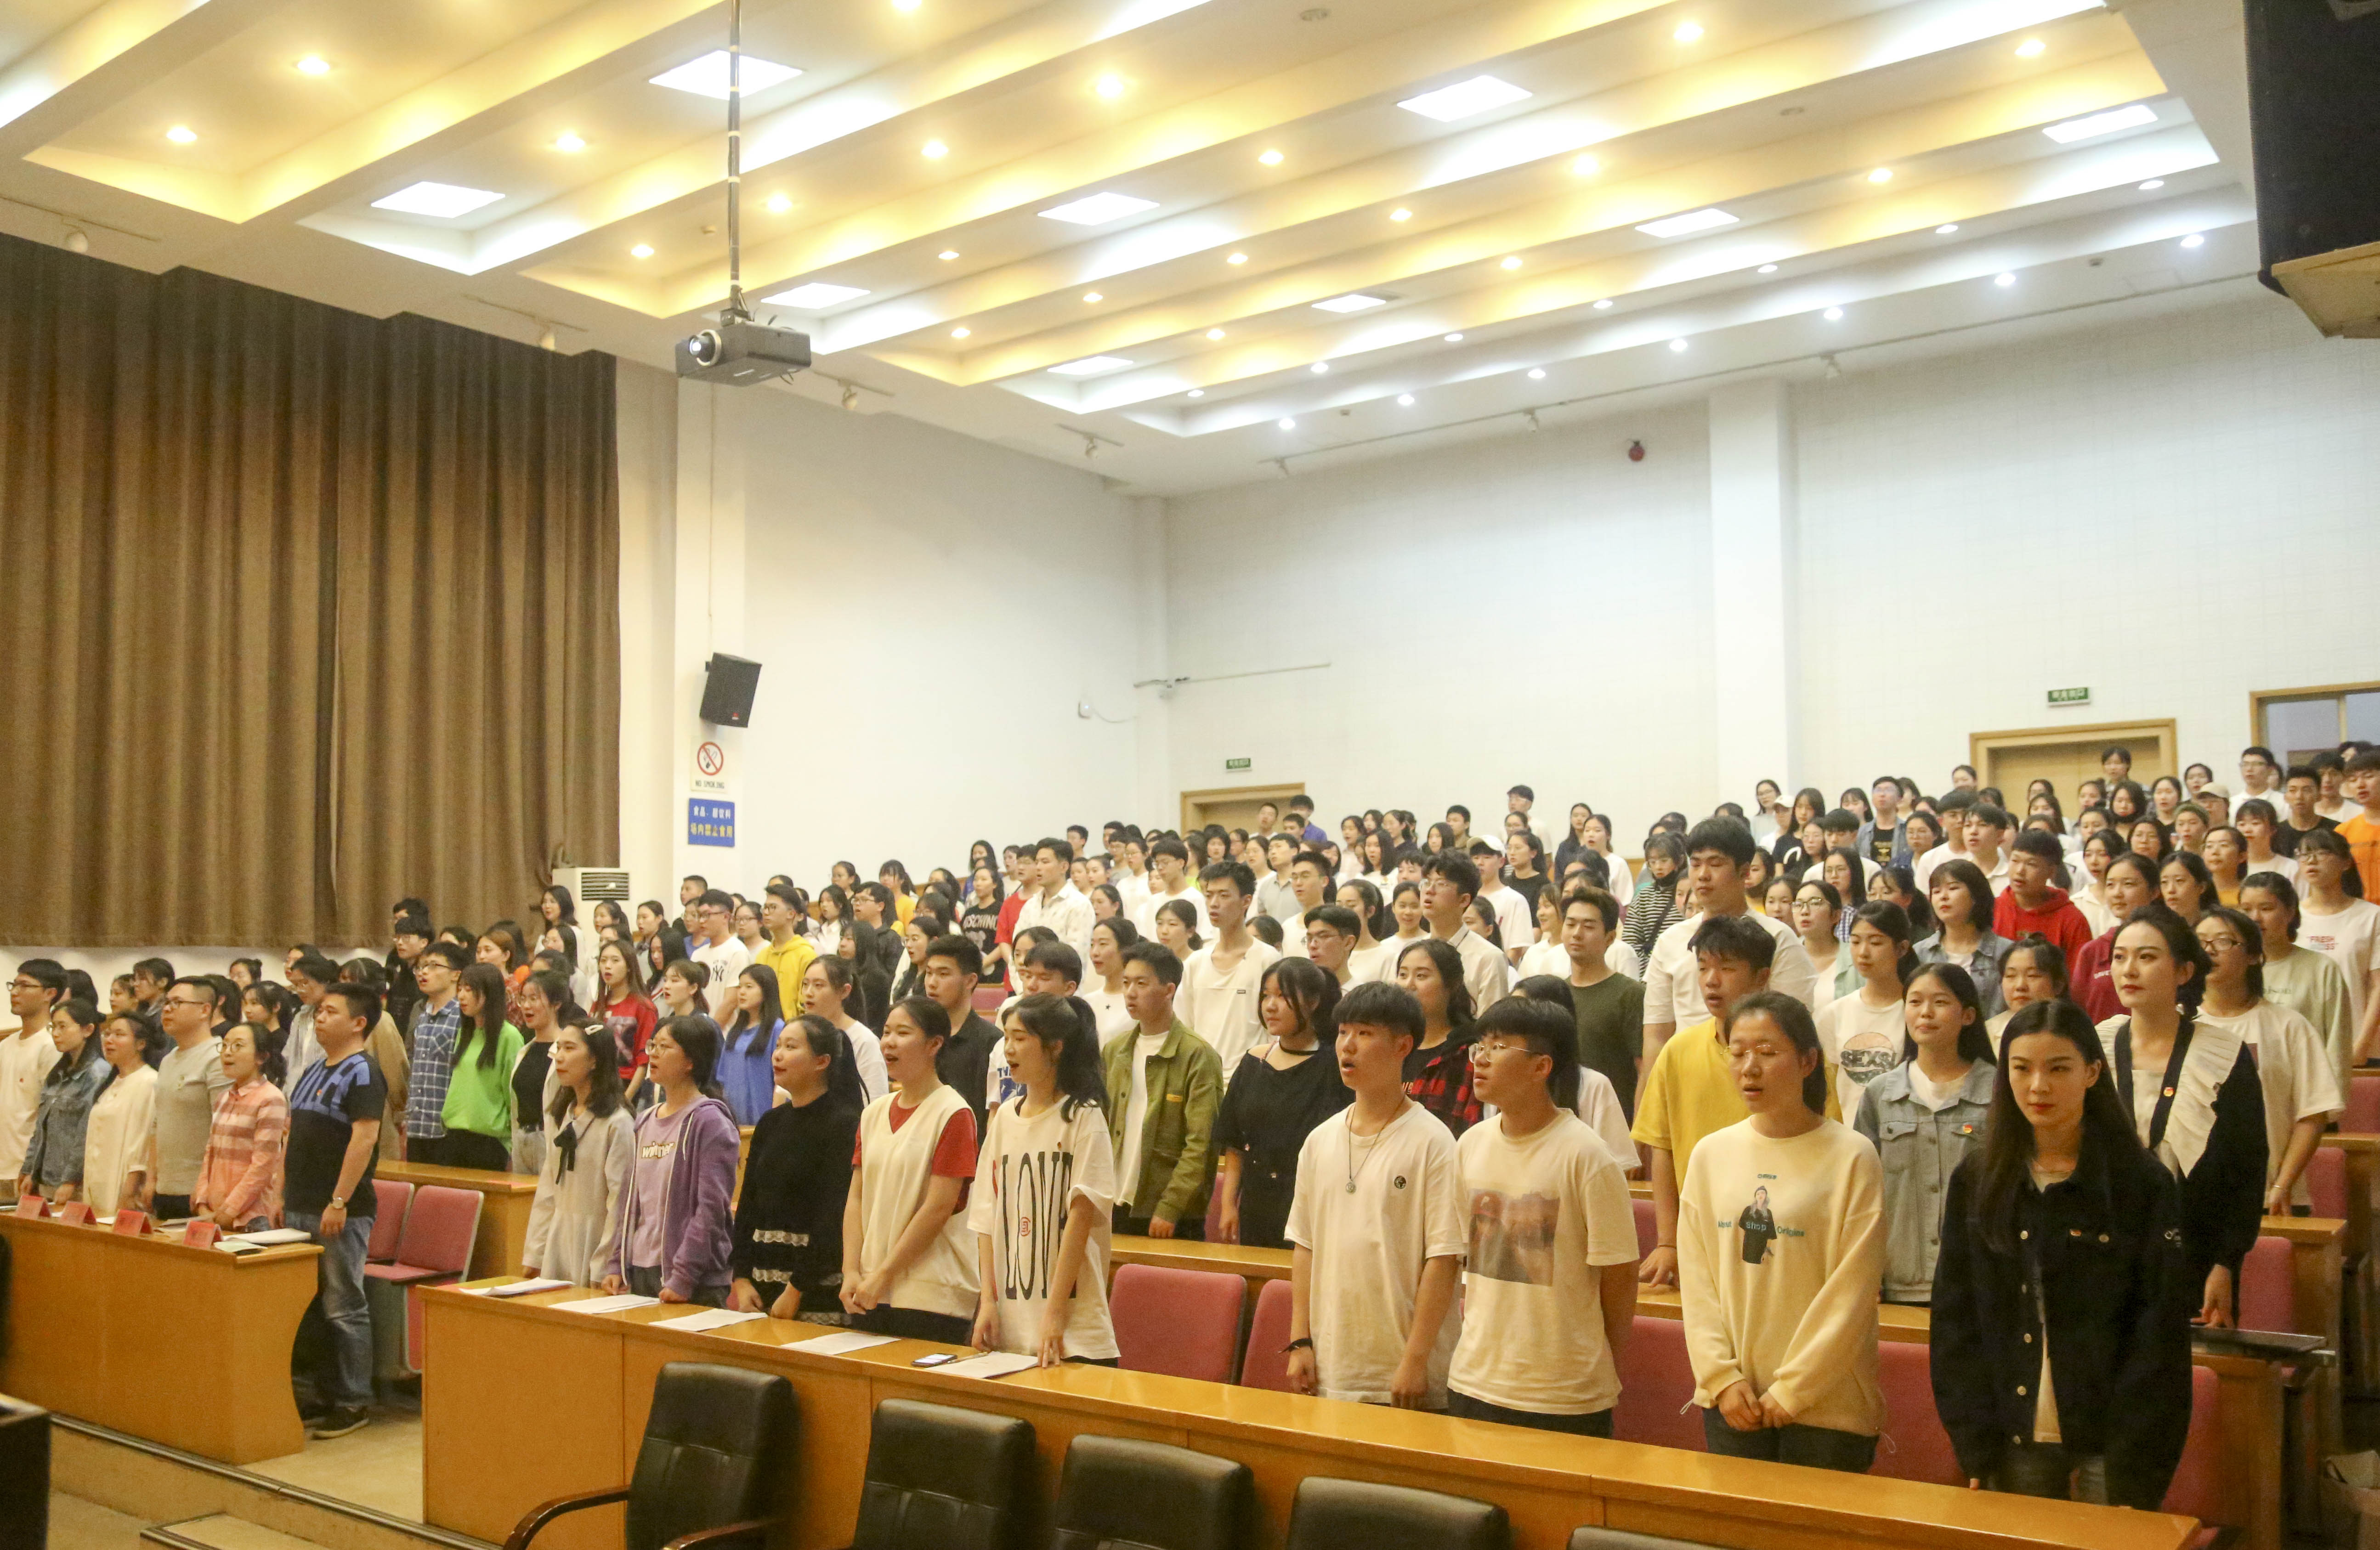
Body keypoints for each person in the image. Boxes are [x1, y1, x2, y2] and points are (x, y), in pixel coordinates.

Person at [1930, 1000, 2195, 1506]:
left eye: (2058, 1069)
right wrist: (1974, 1441)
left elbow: (2158, 1333)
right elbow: (1955, 1319)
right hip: (2014, 1430)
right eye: (2021, 1068)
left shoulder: (2141, 1183)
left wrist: (2139, 1452)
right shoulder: (1978, 1179)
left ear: (2091, 1072)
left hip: (2113, 1436)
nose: (2038, 1086)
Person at [1678, 991, 1884, 1473]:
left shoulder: (1852, 1155)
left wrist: (1792, 1391)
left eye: (1767, 1053)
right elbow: (1697, 1281)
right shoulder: (1710, 1154)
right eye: (1737, 1052)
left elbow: (1853, 1292)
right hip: (1733, 1402)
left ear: (1808, 1061)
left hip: (1828, 1409)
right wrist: (1721, 1378)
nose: (1749, 1068)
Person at [1448, 995, 1638, 1433]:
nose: (1481, 1059)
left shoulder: (1587, 1156)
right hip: (1475, 1379)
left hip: (1563, 1394)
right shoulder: (1470, 1145)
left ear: (1541, 1067)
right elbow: (1461, 1256)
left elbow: (1620, 1274)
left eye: (1499, 1047)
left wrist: (1595, 1359)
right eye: (1481, 1046)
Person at [1284, 981, 1464, 1409]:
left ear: (1403, 1046)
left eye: (1364, 1034)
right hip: (1332, 1366)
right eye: (1343, 1032)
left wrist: (1415, 1361)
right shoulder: (1320, 1140)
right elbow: (1305, 1245)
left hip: (1404, 1370)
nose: (1347, 1046)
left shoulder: (1434, 1142)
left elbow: (1443, 1260)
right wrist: (1300, 1340)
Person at [2103, 908, 2266, 1327]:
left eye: (2147, 957)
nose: (2129, 970)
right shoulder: (2094, 1046)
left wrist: (2226, 1264)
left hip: (2196, 1253)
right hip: (2106, 1251)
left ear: (2184, 971)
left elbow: (2247, 1170)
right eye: (2119, 957)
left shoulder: (2223, 1054)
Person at [968, 994, 1119, 1365]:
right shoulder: (1004, 1118)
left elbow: (1080, 1218)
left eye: (1020, 1038)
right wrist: (987, 1301)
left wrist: (1054, 1312)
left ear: (1055, 1047)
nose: (1009, 1049)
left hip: (1074, 1332)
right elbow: (986, 1217)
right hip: (1010, 1325)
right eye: (1006, 1037)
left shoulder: (1084, 1116)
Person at [1852, 964, 1993, 1305]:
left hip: (1983, 1282)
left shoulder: (1999, 1090)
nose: (1926, 1012)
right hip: (1899, 1279)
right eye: (1915, 1002)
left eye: (1940, 1002)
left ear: (1968, 1015)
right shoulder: (1879, 1094)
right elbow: (1861, 1194)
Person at [841, 997, 981, 1341]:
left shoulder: (953, 1113)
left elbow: (938, 1207)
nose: (889, 1042)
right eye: (886, 1032)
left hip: (930, 1294)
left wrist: (884, 1275)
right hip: (868, 1289)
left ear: (935, 1045)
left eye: (903, 1033)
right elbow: (856, 1198)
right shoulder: (873, 1113)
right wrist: (851, 1271)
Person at [285, 980, 389, 1439]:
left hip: (340, 1208)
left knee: (343, 1305)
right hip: (300, 1203)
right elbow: (293, 1134)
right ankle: (323, 1393)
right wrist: (281, 1194)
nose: (319, 1017)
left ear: (358, 1022)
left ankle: (353, 1399)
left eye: (330, 1011)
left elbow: (364, 1138)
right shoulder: (313, 1068)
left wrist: (339, 1199)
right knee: (309, 1306)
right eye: (319, 1011)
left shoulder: (363, 1071)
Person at [2193, 906, 2338, 1216]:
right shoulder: (2178, 1025)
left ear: (2254, 956)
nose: (2209, 950)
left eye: (2222, 941)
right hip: (2193, 1201)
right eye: (2200, 941)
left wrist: (2282, 1185)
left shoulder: (2289, 1026)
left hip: (2272, 1199)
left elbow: (2313, 1115)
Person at [1642, 820, 1816, 1074]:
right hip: (1687, 1075)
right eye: (1696, 864)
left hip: (1755, 1075)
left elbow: (1794, 1029)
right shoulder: (1671, 940)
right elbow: (1657, 1035)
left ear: (1744, 871)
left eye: (1715, 864)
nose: (1703, 875)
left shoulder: (1778, 937)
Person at [727, 1018, 862, 1318]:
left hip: (815, 1291)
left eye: (791, 1047)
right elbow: (748, 1204)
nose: (778, 1055)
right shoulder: (770, 1122)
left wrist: (796, 1289)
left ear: (822, 1062)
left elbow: (834, 1217)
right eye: (778, 1046)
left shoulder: (844, 1124)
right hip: (760, 1288)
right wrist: (741, 1277)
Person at [601, 1017, 740, 1306]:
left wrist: (684, 1276)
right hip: (642, 1270)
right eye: (653, 1045)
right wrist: (617, 1263)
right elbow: (630, 1202)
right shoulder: (644, 1121)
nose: (653, 1053)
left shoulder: (710, 1121)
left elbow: (712, 1208)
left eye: (665, 1047)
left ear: (690, 1061)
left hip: (693, 1279)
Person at [1214, 958, 1351, 1248]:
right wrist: (1228, 1205)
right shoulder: (1253, 1062)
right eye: (1266, 996)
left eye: (1283, 996)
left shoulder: (1336, 1066)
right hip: (1257, 1204)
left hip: (1315, 1205)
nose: (1270, 1006)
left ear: (1313, 1002)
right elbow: (1235, 1144)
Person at [1104, 943, 1222, 1239]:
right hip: (1114, 1201)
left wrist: (1170, 1207)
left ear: (1169, 990)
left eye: (1141, 984)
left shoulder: (1198, 1055)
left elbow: (1201, 1142)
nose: (1130, 993)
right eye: (1126, 983)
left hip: (1168, 1211)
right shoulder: (1115, 1050)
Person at [522, 1023, 634, 1286]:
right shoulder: (562, 1114)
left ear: (595, 1059)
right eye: (559, 1048)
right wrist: (535, 1252)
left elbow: (620, 1203)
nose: (559, 1057)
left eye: (570, 1048)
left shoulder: (618, 1123)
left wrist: (605, 1265)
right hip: (560, 1240)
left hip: (595, 1242)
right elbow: (549, 1186)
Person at [2239, 873, 2357, 1099]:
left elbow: (2337, 1047)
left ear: (2290, 912)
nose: (2255, 918)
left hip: (2306, 1094)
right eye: (2246, 910)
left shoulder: (2322, 969)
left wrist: (2331, 1106)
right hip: (2248, 1096)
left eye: (2266, 908)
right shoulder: (2234, 967)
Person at [136, 978, 232, 1217]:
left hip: (199, 1191)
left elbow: (224, 1130)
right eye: (166, 1003)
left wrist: (208, 1188)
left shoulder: (217, 1057)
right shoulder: (168, 1059)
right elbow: (158, 1123)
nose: (167, 1009)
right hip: (165, 1188)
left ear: (205, 1010)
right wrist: (152, 1179)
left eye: (177, 1003)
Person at [1179, 860, 1282, 1074]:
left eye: (1224, 896)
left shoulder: (1268, 959)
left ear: (1246, 901)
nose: (1214, 904)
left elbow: (1276, 1031)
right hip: (1202, 1078)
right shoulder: (1195, 962)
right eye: (1209, 896)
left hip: (1252, 1077)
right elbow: (1184, 1027)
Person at [1816, 902, 1916, 1122]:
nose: (1863, 953)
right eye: (1855, 942)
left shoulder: (1916, 1012)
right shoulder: (1834, 1014)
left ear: (1902, 948)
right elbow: (1827, 1092)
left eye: (1876, 942)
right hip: (1847, 1133)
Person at [1556, 888, 1646, 1120]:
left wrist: (1639, 1129)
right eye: (1570, 924)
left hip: (1614, 1121)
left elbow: (1645, 1070)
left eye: (1588, 927)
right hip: (1563, 1122)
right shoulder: (1555, 993)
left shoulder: (1630, 994)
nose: (1577, 934)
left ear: (1610, 938)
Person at [191, 1022, 289, 1231]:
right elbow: (210, 1153)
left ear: (261, 1057)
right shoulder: (223, 1098)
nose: (228, 1053)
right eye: (225, 1046)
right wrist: (202, 1202)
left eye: (238, 1046)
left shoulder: (271, 1098)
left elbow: (264, 1165)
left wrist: (230, 1211)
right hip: (215, 1213)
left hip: (251, 1218)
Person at [2294, 831, 2380, 1067]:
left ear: (2346, 863)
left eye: (2322, 853)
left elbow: (2378, 986)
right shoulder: (2291, 917)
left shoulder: (2372, 917)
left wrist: (2361, 1046)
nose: (2311, 861)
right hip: (2302, 1048)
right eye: (2305, 854)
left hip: (2360, 1048)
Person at [17, 999, 108, 1205]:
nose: (56, 1034)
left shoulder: (98, 1074)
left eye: (63, 1027)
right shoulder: (57, 1073)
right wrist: (30, 1169)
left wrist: (70, 1180)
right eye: (53, 1027)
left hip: (74, 1184)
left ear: (88, 1030)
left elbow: (86, 1132)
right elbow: (41, 1128)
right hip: (46, 1178)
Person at [439, 963, 523, 1171]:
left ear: (489, 993)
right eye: (460, 989)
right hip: (455, 1133)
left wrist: (511, 1138)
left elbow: (513, 1093)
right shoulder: (464, 1033)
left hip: (490, 1140)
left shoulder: (509, 1036)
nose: (461, 996)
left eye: (469, 990)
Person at [1396, 938, 1483, 1136]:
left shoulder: (1470, 1051)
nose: (1409, 985)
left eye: (1421, 976)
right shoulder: (1389, 1044)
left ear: (1451, 984)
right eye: (1403, 975)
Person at [81, 1010, 159, 1216]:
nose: (109, 1040)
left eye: (119, 1035)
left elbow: (142, 1143)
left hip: (124, 1189)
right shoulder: (110, 1083)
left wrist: (129, 1192)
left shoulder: (149, 1081)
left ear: (141, 1044)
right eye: (107, 1034)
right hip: (97, 1181)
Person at [923, 936, 1003, 1130]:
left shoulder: (992, 1042)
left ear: (970, 981)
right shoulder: (919, 1035)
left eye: (943, 974)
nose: (932, 983)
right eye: (929, 973)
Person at [1419, 851, 1513, 1012]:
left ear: (1464, 900)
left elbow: (1492, 1023)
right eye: (1427, 882)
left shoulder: (1489, 958)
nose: (1429, 890)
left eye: (1441, 884)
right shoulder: (1413, 952)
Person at [1918, 860, 2012, 1019]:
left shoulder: (2006, 952)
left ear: (1976, 896)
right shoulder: (1921, 952)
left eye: (1953, 888)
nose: (1943, 897)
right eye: (1937, 892)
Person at [1995, 832, 2093, 979]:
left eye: (2031, 864)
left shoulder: (2072, 920)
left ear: (2051, 871)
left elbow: (2080, 979)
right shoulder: (1992, 910)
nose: (2020, 871)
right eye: (2015, 861)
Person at [405, 942, 469, 1164]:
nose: (423, 972)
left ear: (456, 975)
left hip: (447, 1130)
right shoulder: (422, 1016)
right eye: (421, 967)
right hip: (417, 1126)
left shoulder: (463, 1017)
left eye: (433, 966)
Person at [508, 970, 574, 1173]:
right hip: (522, 1139)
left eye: (534, 999)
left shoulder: (567, 1050)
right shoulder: (525, 1051)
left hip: (550, 1139)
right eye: (523, 999)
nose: (526, 1006)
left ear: (556, 1004)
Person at [800, 955, 888, 1102]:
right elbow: (784, 1092)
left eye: (819, 985)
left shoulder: (864, 1041)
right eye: (805, 984)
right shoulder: (800, 1034)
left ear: (845, 991)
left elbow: (876, 1101)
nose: (809, 993)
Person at [718, 965, 787, 1127]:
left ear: (766, 991)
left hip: (764, 1121)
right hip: (733, 1121)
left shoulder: (777, 1029)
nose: (741, 992)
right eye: (740, 987)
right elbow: (722, 1080)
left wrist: (774, 1121)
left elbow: (783, 1083)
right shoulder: (735, 1031)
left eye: (749, 987)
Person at [1017, 837, 1097, 964]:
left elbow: (1077, 957)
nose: (1038, 867)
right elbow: (1016, 950)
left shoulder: (1079, 905)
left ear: (1064, 867)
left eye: (1045, 862)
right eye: (1037, 862)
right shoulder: (1031, 905)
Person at [686, 890, 752, 1020]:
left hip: (723, 1030)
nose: (702, 921)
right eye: (700, 915)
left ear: (726, 917)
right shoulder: (697, 954)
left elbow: (731, 1002)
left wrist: (712, 1029)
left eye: (707, 915)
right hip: (698, 1026)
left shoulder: (737, 951)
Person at [1990, 936, 2071, 1039]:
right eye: (2011, 976)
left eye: (2032, 975)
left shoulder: (2076, 1033)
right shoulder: (1987, 1034)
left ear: (2058, 986)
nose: (2020, 986)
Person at [757, 883, 819, 1009]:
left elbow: (808, 1004)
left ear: (791, 914)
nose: (766, 913)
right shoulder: (762, 955)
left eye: (773, 907)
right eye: (765, 908)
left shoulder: (805, 955)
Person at [1794, 880, 1847, 1011]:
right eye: (1798, 905)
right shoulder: (1786, 954)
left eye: (1815, 903)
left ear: (1836, 915)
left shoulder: (1854, 958)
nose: (1804, 911)